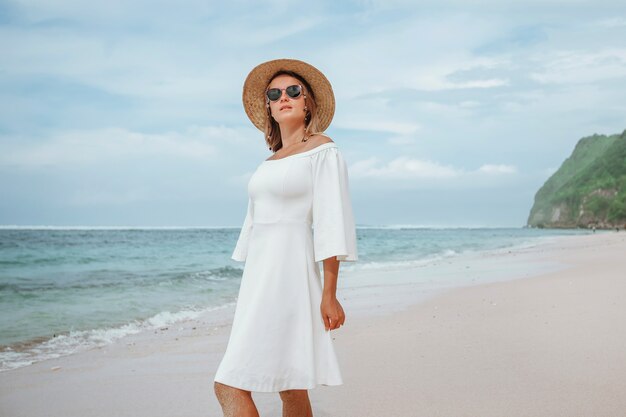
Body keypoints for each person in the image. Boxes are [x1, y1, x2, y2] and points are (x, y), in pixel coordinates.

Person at [213, 58, 359, 417]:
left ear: (307, 101)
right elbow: (256, 228)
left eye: (293, 91)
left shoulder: (323, 150)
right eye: (274, 94)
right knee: (290, 384)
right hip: (259, 280)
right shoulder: (271, 161)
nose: (284, 97)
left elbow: (330, 223)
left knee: (228, 384)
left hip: (290, 275)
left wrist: (329, 294)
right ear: (269, 107)